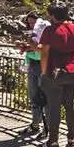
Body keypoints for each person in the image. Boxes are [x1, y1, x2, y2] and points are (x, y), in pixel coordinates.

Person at [36, 4, 74, 147]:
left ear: (52, 16)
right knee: (70, 105)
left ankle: (53, 141)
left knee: (54, 107)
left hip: (54, 72)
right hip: (73, 72)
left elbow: (44, 53)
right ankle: (72, 137)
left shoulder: (50, 30)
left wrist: (44, 72)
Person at [17, 11, 50, 139]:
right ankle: (35, 124)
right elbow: (35, 46)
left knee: (45, 97)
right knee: (34, 95)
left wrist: (30, 44)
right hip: (32, 62)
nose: (31, 25)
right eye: (29, 23)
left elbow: (42, 47)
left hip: (42, 64)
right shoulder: (33, 33)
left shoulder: (44, 28)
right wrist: (26, 46)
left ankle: (47, 127)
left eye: (33, 23)